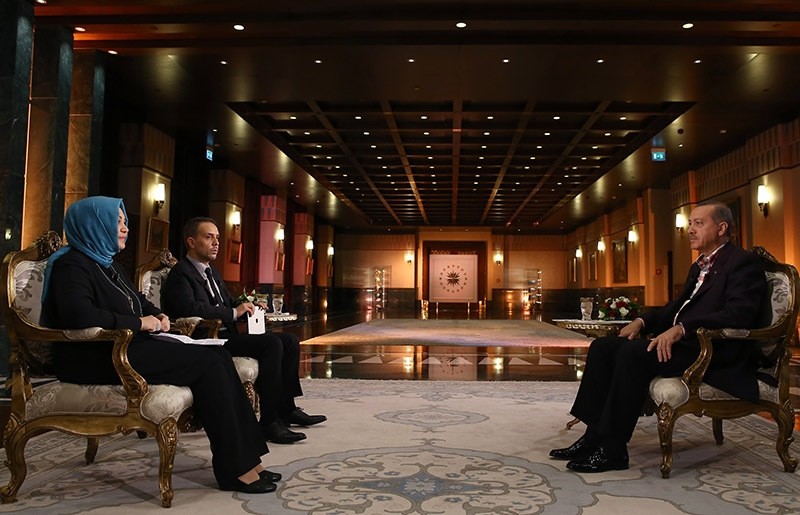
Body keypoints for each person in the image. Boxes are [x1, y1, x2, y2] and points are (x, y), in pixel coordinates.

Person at [41, 196, 281, 493]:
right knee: (207, 364)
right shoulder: (72, 265)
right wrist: (140, 323)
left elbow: (136, 301)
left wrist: (156, 314)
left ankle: (249, 460)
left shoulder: (106, 264)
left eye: (124, 221)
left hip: (126, 347)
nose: (125, 228)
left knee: (217, 354)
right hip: (94, 356)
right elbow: (79, 314)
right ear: (94, 224)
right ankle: (235, 469)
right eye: (117, 221)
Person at [550, 201, 768, 473]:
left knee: (632, 354)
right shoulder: (698, 266)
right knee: (603, 347)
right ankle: (593, 437)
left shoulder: (742, 263)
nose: (690, 230)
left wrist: (682, 328)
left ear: (722, 228)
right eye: (690, 223)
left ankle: (613, 450)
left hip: (712, 350)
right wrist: (642, 320)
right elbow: (674, 307)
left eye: (698, 223)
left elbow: (739, 315)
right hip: (684, 344)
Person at [162, 217, 326, 445]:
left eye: (217, 238)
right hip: (206, 341)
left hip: (227, 337)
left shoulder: (212, 273)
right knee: (272, 344)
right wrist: (232, 312)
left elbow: (228, 301)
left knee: (289, 340)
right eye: (209, 237)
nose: (216, 243)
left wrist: (249, 303)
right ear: (191, 241)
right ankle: (269, 422)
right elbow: (189, 308)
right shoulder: (180, 274)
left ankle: (287, 409)